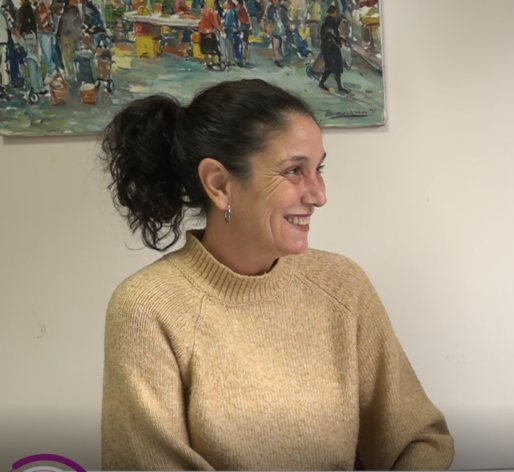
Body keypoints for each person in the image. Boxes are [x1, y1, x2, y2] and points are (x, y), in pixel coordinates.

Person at [98, 79, 455, 470]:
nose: (319, 195)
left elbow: (419, 440)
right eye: (294, 171)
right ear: (219, 184)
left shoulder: (342, 285)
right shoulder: (148, 308)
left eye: (318, 169)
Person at [318, 1, 346, 92]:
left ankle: (337, 86)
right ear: (333, 13)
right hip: (331, 49)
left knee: (331, 68)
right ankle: (336, 86)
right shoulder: (331, 23)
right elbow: (332, 35)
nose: (336, 14)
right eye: (335, 12)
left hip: (328, 48)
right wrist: (339, 42)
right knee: (333, 67)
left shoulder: (327, 22)